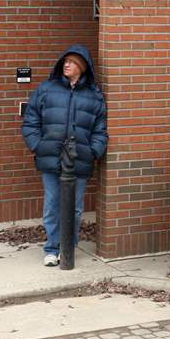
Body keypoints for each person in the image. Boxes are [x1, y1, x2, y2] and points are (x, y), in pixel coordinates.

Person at [22, 45, 108, 267]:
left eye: (71, 62)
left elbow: (100, 129)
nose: (66, 65)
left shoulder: (94, 96)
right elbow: (31, 120)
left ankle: (68, 246)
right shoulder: (46, 89)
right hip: (50, 158)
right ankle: (52, 248)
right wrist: (38, 145)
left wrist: (93, 151)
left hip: (79, 159)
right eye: (65, 61)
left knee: (75, 208)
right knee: (52, 204)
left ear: (83, 66)